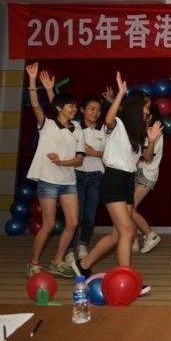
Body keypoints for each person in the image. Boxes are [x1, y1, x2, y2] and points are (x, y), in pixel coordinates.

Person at [72, 72, 163, 295]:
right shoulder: (119, 125)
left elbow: (147, 157)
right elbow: (108, 120)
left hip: (127, 182)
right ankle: (128, 279)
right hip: (113, 179)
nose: (148, 111)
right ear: (136, 107)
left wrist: (151, 141)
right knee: (128, 231)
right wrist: (121, 94)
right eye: (145, 107)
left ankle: (82, 264)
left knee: (117, 234)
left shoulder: (138, 133)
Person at [25, 63, 84, 278]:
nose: (74, 109)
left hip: (68, 181)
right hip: (48, 181)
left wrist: (62, 162)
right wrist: (33, 80)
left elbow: (79, 159)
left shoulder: (77, 129)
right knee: (49, 224)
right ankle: (33, 263)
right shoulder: (47, 125)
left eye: (75, 106)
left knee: (73, 222)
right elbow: (35, 104)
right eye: (70, 106)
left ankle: (57, 260)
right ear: (60, 108)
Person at [65, 96, 106, 264]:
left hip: (96, 177)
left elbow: (112, 154)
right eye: (91, 109)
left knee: (90, 216)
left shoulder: (104, 129)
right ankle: (69, 250)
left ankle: (83, 244)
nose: (95, 112)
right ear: (82, 110)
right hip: (77, 176)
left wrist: (95, 153)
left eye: (98, 110)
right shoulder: (74, 127)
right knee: (76, 217)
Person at [131, 103, 164, 254]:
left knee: (129, 208)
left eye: (144, 113)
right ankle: (133, 240)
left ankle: (150, 234)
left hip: (147, 174)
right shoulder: (141, 131)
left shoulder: (155, 133)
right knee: (130, 208)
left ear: (150, 116)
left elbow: (147, 157)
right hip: (138, 172)